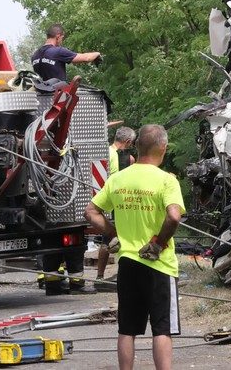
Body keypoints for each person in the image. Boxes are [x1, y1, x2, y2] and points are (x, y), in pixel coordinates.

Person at [85, 124, 184, 370]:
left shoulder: (118, 179)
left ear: (137, 147)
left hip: (128, 262)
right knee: (162, 328)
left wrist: (112, 234)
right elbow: (173, 217)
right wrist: (158, 243)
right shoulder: (166, 181)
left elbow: (91, 212)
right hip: (159, 265)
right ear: (163, 148)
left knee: (127, 329)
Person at [95, 126, 136, 285]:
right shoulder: (123, 157)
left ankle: (99, 276)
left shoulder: (105, 152)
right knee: (121, 238)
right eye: (131, 144)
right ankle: (125, 275)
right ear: (127, 141)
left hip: (104, 202)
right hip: (119, 204)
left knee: (107, 239)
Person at [30, 23, 101, 85]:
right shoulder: (58, 51)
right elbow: (86, 58)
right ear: (58, 36)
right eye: (62, 38)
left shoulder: (35, 55)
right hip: (58, 96)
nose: (61, 41)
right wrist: (97, 54)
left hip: (41, 97)